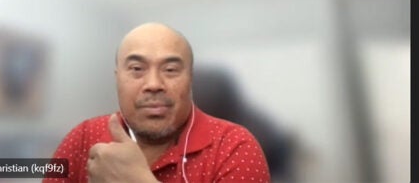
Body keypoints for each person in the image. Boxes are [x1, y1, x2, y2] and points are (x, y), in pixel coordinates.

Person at [47, 23, 271, 183]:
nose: (153, 84)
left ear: (190, 79)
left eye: (171, 70)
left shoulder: (234, 147)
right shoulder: (82, 137)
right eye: (137, 69)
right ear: (117, 78)